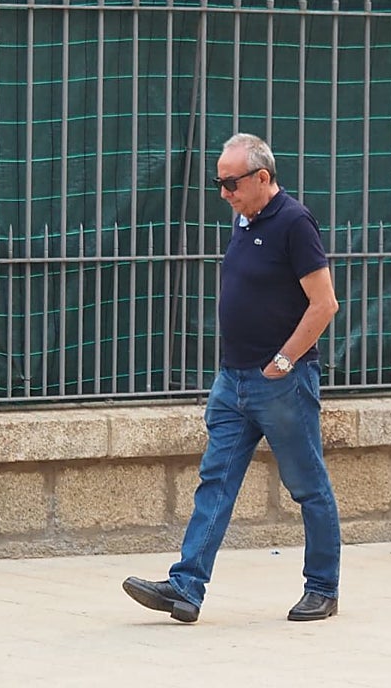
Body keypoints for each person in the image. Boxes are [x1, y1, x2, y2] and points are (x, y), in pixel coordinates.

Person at [123, 133, 342, 623]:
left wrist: (283, 362)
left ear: (262, 177)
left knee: (307, 486)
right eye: (217, 182)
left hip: (281, 381)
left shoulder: (294, 222)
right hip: (232, 381)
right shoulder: (245, 219)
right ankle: (186, 588)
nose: (222, 192)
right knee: (215, 482)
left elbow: (324, 303)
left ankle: (323, 588)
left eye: (229, 183)